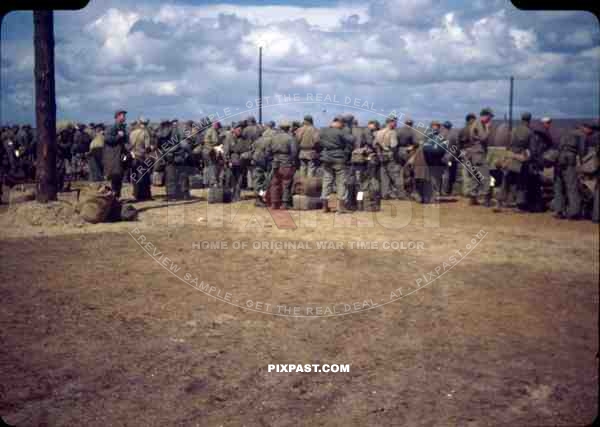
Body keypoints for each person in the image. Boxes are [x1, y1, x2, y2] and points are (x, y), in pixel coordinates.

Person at [319, 116, 353, 213]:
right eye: (342, 124)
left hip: (326, 158)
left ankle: (324, 207)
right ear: (339, 123)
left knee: (326, 181)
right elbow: (351, 140)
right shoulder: (340, 132)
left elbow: (317, 141)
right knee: (341, 182)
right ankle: (340, 207)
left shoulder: (322, 131)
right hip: (338, 158)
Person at [500, 112, 533, 210]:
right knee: (521, 181)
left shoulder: (513, 129)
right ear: (529, 120)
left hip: (510, 156)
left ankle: (501, 201)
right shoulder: (529, 132)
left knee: (506, 179)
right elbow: (531, 148)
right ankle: (519, 204)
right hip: (520, 158)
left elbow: (508, 143)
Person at [552, 124, 586, 219]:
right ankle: (574, 212)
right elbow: (582, 152)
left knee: (558, 186)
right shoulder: (581, 135)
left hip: (558, 159)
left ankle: (558, 211)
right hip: (569, 160)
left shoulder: (563, 132)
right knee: (572, 186)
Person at [463, 108, 493, 205]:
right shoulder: (479, 124)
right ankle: (486, 200)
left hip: (474, 154)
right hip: (479, 154)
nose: (490, 119)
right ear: (485, 115)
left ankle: (473, 198)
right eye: (490, 116)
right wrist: (488, 129)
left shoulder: (475, 123)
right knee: (486, 177)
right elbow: (483, 138)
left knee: (476, 177)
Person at [267, 121, 298, 209]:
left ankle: (274, 203)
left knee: (274, 183)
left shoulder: (273, 138)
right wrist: (292, 162)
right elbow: (294, 152)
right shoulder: (290, 138)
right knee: (286, 183)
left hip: (275, 163)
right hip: (286, 163)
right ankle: (285, 203)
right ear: (288, 128)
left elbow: (268, 151)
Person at [376, 116, 406, 200]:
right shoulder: (392, 132)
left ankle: (384, 194)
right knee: (396, 175)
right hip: (390, 156)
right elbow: (394, 146)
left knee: (384, 176)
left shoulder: (379, 132)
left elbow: (375, 144)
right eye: (395, 122)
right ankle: (401, 194)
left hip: (381, 156)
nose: (396, 124)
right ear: (391, 122)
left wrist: (380, 153)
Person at [223, 122, 252, 202]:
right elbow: (226, 151)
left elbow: (248, 149)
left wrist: (245, 155)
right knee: (230, 179)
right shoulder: (229, 138)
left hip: (241, 162)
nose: (240, 131)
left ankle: (237, 195)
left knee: (239, 179)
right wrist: (227, 161)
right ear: (234, 130)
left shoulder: (244, 139)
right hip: (231, 161)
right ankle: (230, 196)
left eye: (241, 130)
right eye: (238, 129)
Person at [104, 110, 128, 198]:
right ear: (117, 116)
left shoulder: (122, 127)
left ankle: (117, 196)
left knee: (119, 176)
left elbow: (125, 141)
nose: (125, 117)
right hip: (113, 157)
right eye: (123, 115)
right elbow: (107, 139)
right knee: (115, 176)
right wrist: (119, 136)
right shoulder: (112, 127)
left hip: (120, 155)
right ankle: (114, 197)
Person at [129, 116, 153, 201]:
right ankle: (144, 195)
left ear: (139, 123)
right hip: (142, 157)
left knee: (134, 176)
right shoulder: (145, 133)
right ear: (146, 123)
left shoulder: (132, 132)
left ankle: (135, 194)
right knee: (144, 176)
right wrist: (151, 149)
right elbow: (147, 147)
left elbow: (130, 145)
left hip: (133, 157)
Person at [203, 121, 225, 187]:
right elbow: (207, 142)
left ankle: (209, 182)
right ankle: (212, 182)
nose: (218, 128)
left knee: (211, 167)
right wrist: (214, 148)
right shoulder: (211, 131)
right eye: (218, 126)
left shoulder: (215, 131)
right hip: (209, 152)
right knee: (211, 166)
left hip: (212, 151)